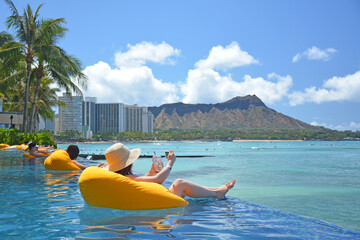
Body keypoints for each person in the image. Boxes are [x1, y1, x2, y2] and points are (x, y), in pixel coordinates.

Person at [99, 143, 235, 199]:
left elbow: (142, 181)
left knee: (178, 184)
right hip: (158, 201)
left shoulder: (123, 177)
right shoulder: (128, 178)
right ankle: (216, 193)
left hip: (152, 197)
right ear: (128, 164)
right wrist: (170, 163)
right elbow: (158, 181)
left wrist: (152, 170)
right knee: (179, 183)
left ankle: (216, 189)